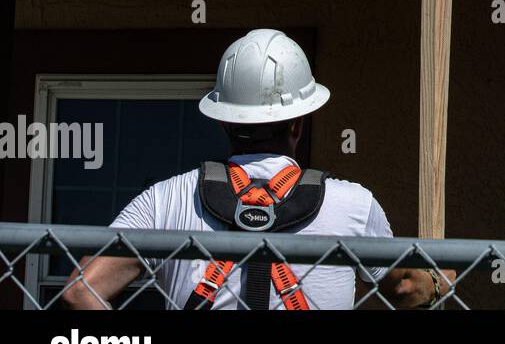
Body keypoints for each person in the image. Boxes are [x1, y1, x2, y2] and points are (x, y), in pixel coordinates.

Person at [62, 29, 440, 310]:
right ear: (298, 123)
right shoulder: (352, 205)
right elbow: (407, 288)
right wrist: (442, 279)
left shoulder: (166, 199)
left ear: (223, 121)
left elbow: (80, 291)